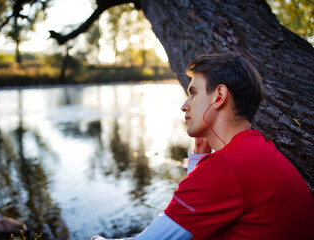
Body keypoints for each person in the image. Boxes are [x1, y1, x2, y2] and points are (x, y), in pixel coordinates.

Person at [88, 53, 314, 240]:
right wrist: (198, 161)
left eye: (193, 93)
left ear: (219, 96)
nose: (184, 106)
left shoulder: (225, 169)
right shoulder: (262, 150)